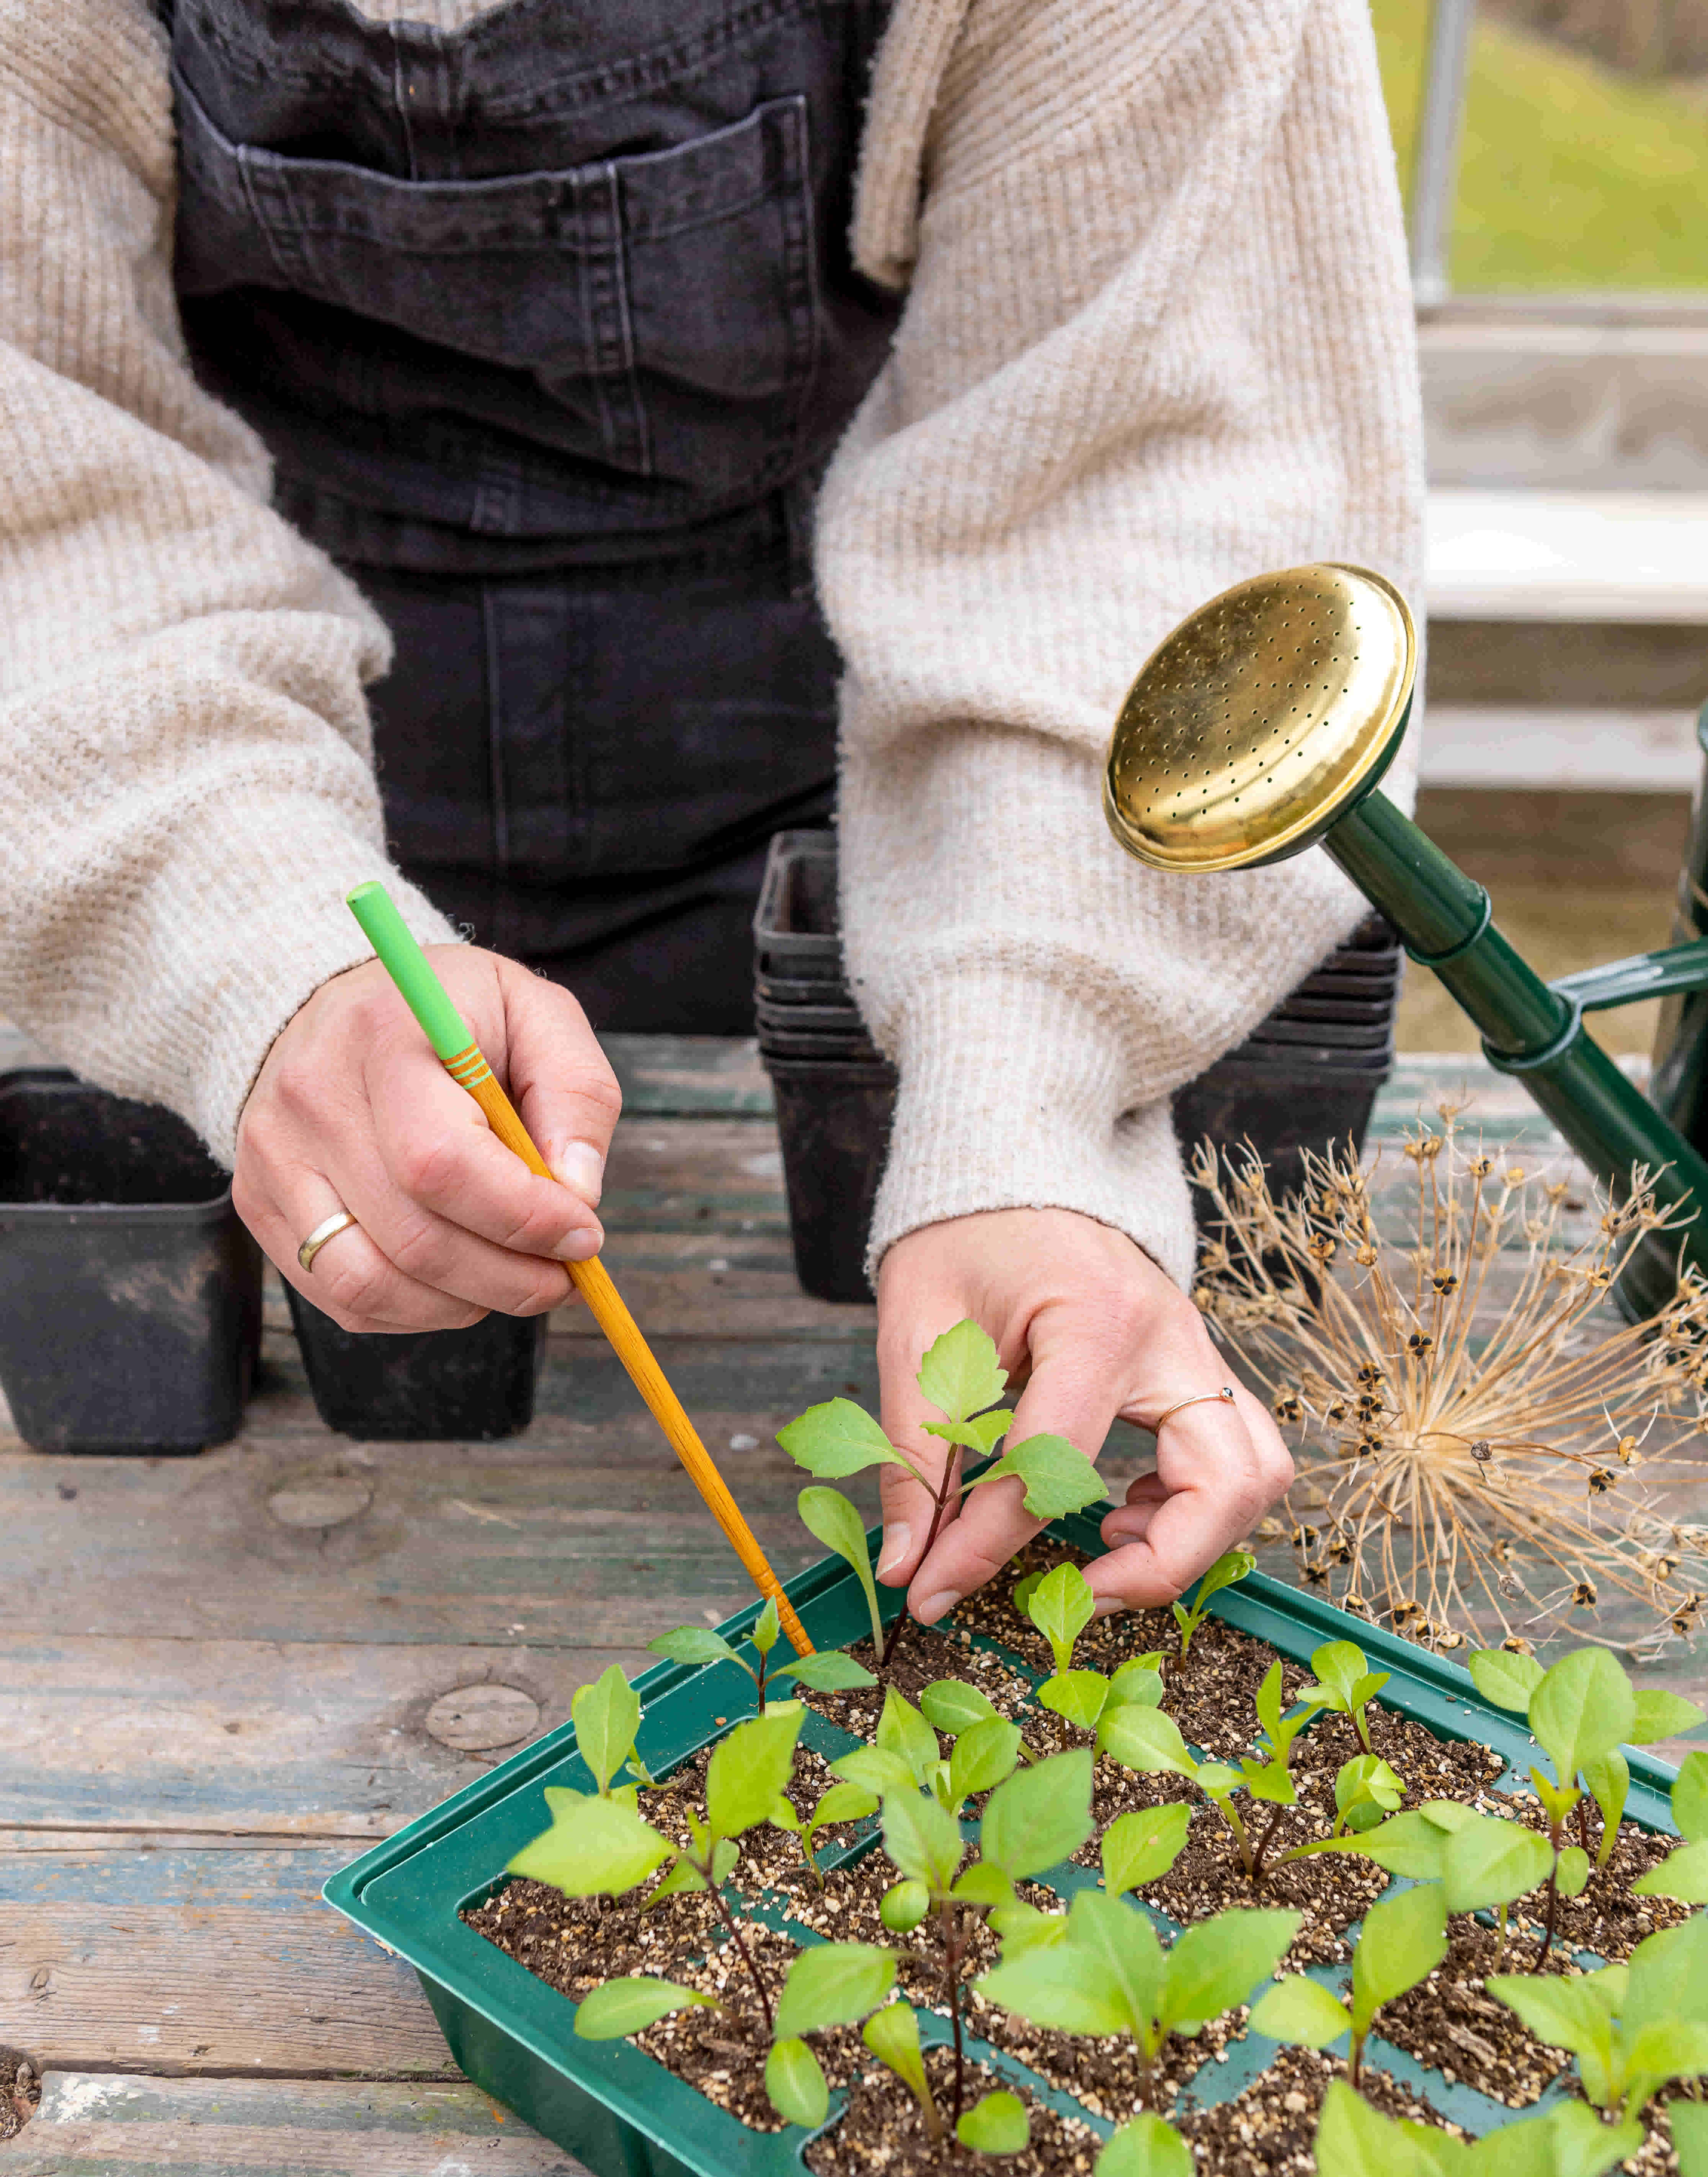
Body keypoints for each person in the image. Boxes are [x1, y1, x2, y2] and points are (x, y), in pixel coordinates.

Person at [0, 0, 1423, 1635]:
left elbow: (1134, 507)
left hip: (878, 810)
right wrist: (238, 934)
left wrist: (1024, 1109)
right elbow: (36, 517)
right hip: (215, 753)